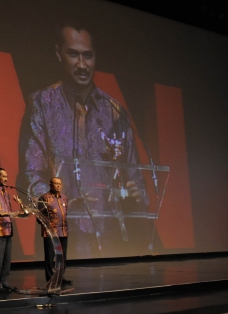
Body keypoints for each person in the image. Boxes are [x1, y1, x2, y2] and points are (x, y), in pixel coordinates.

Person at [19, 20, 146, 257]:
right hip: (61, 240)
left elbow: (135, 178)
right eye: (73, 54)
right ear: (59, 55)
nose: (81, 64)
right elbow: (29, 175)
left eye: (87, 56)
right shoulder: (42, 105)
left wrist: (135, 196)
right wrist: (59, 205)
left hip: (113, 243)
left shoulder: (115, 111)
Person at [0, 168, 28, 293]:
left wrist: (20, 212)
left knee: (6, 259)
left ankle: (4, 282)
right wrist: (12, 213)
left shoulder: (6, 193)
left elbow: (10, 212)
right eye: (3, 176)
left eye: (7, 176)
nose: (6, 179)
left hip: (8, 229)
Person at [38, 177, 72, 285]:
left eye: (59, 184)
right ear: (50, 185)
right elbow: (39, 217)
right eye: (55, 183)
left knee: (62, 258)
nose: (58, 185)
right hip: (50, 233)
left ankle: (60, 277)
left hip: (63, 231)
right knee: (50, 257)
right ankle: (50, 279)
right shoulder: (44, 198)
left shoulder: (64, 198)